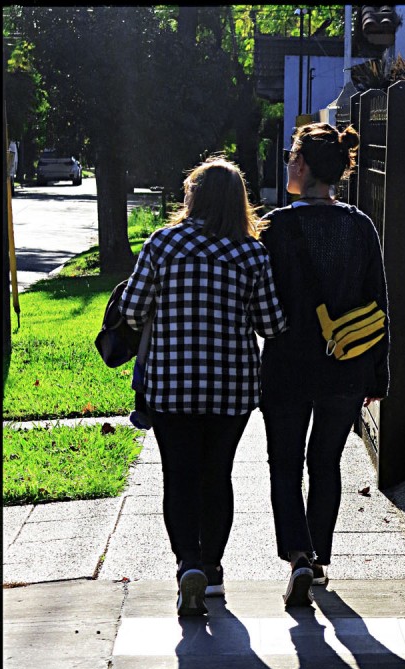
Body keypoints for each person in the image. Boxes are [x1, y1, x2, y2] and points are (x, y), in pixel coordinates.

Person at [118, 155, 287, 616]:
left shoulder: (162, 244)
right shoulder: (252, 254)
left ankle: (186, 563)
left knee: (179, 476)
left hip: (170, 386)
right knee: (218, 476)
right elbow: (271, 324)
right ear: (239, 202)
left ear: (193, 196)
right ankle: (212, 569)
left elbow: (132, 311)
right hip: (231, 390)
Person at [259, 122, 390, 608]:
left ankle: (297, 554)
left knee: (285, 464)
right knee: (326, 462)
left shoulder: (275, 227)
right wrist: (379, 373)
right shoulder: (360, 226)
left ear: (307, 167)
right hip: (347, 365)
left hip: (287, 366)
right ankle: (317, 560)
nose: (289, 165)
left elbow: (262, 300)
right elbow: (378, 301)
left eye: (294, 158)